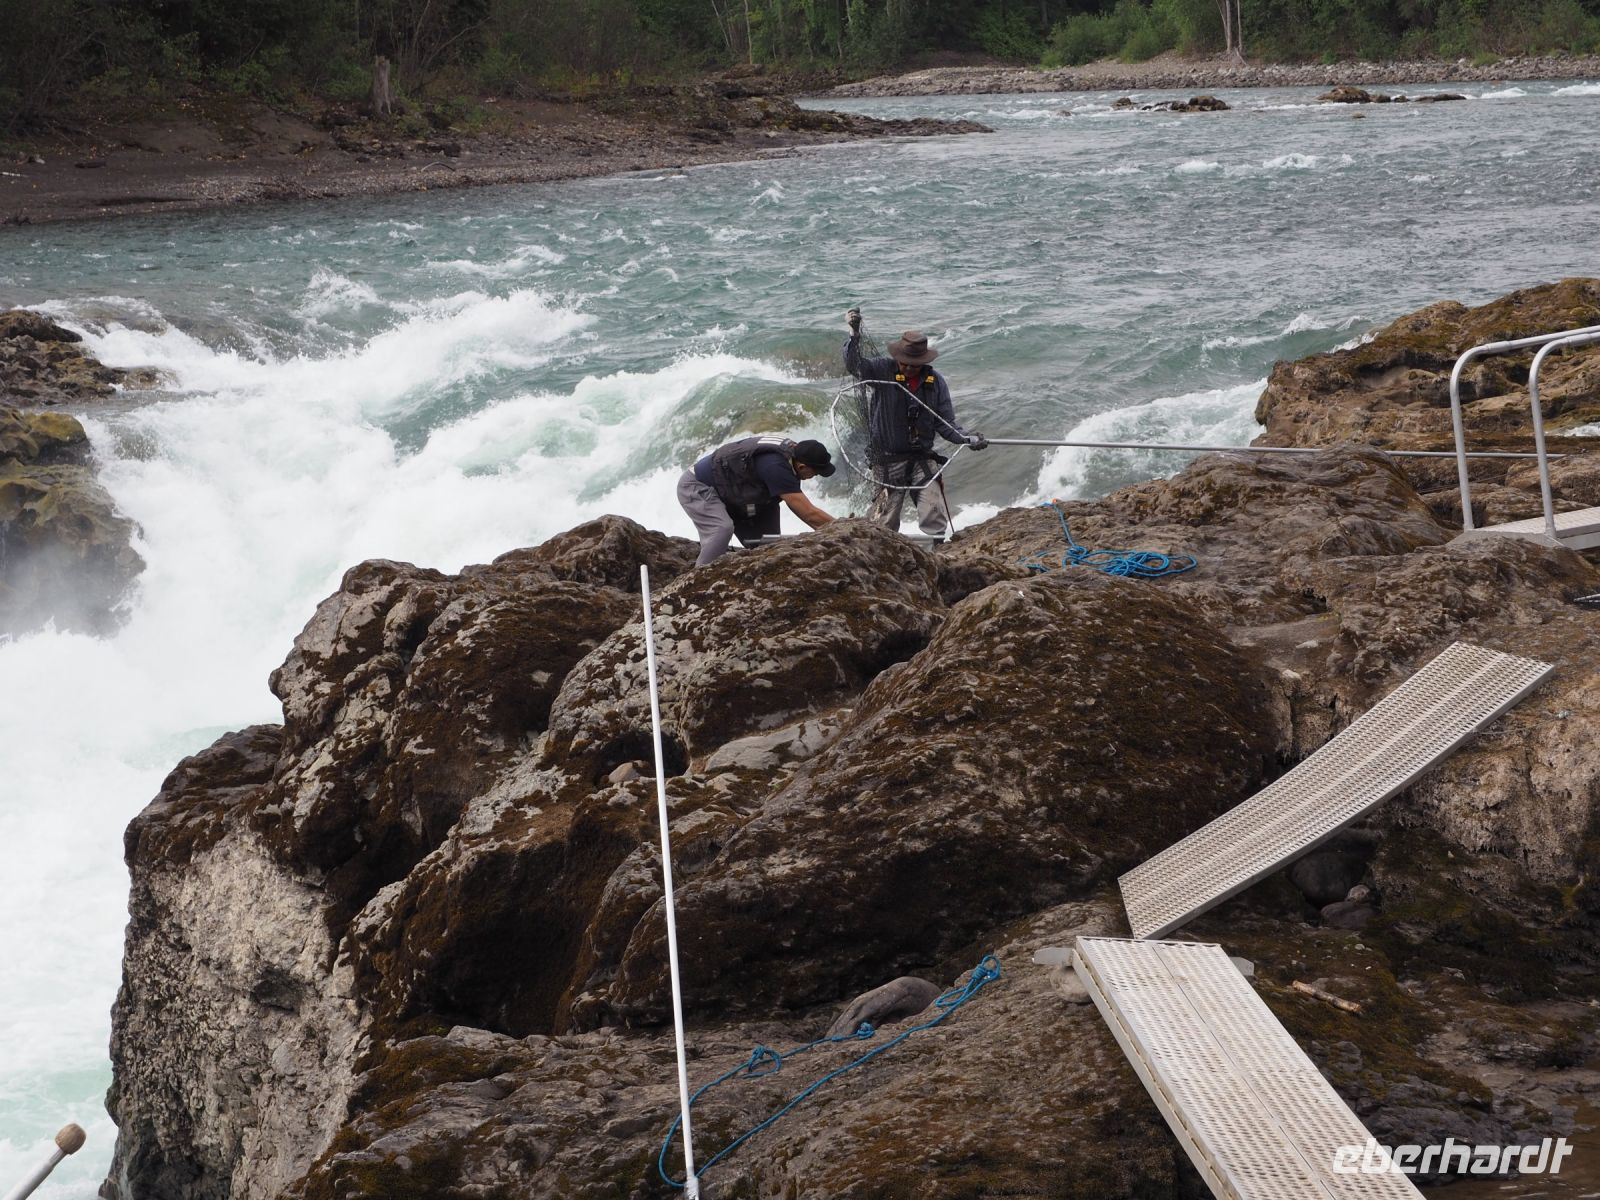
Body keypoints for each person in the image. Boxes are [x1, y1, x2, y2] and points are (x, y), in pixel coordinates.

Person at [842, 309, 986, 538]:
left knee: (933, 510)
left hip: (922, 459)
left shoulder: (935, 382)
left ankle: (935, 551)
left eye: (914, 365)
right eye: (904, 363)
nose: (908, 368)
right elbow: (854, 365)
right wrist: (854, 334)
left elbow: (945, 422)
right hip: (887, 461)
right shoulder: (881, 369)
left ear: (924, 362)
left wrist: (967, 439)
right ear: (897, 357)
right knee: (885, 522)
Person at [677, 435, 838, 566]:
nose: (813, 477)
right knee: (722, 529)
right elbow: (809, 514)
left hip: (735, 492)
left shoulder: (794, 455)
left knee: (768, 546)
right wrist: (841, 528)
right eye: (815, 473)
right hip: (698, 486)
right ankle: (699, 578)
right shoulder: (776, 467)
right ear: (802, 466)